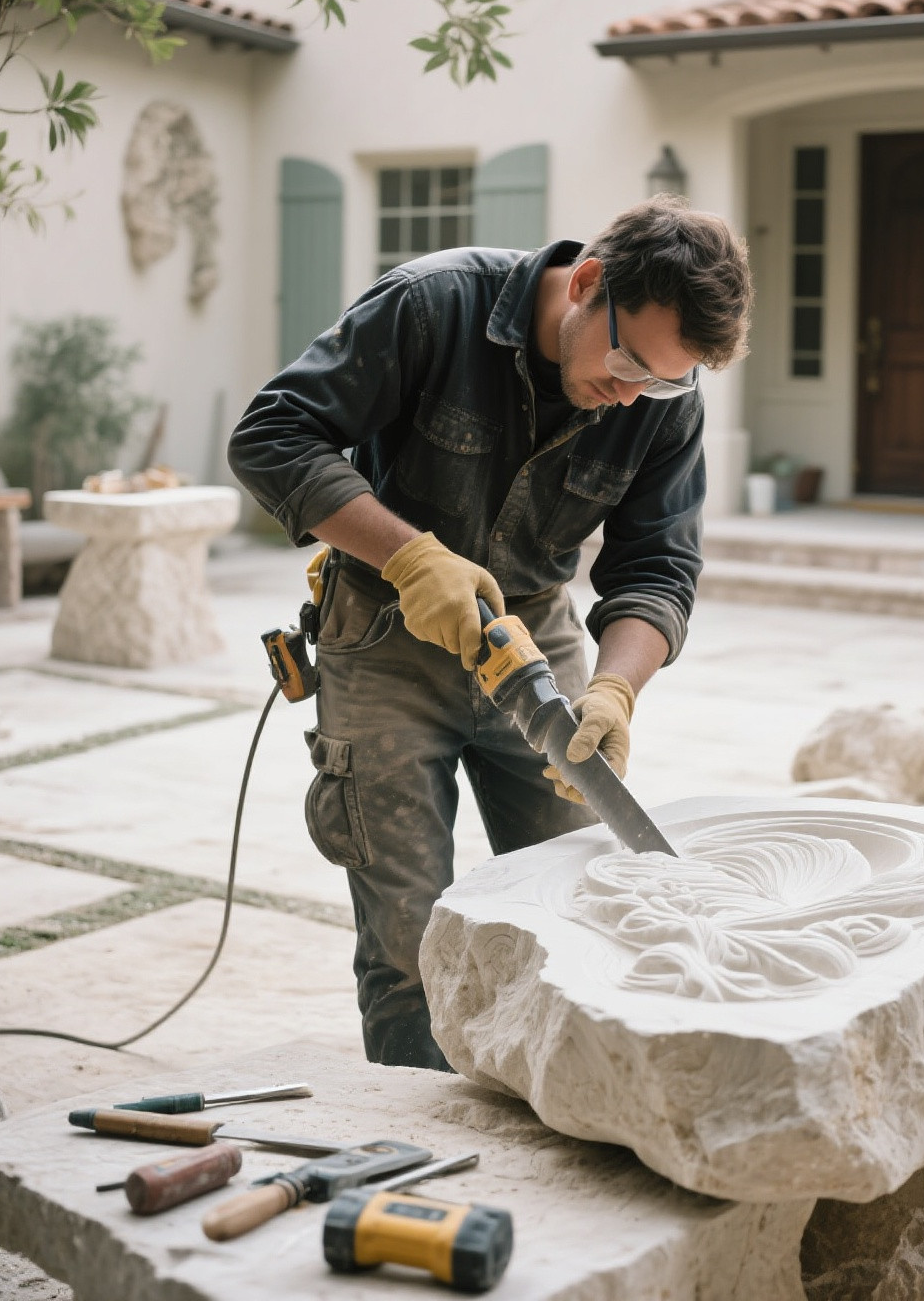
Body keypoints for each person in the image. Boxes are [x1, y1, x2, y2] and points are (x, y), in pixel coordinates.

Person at [228, 195, 753, 1070]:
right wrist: (407, 558)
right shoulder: (432, 306)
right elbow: (272, 434)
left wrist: (617, 687)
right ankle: (419, 1155)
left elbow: (657, 565)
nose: (632, 397)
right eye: (628, 364)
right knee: (408, 945)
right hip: (384, 633)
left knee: (573, 911)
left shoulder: (662, 397)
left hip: (535, 635)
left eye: (660, 381)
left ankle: (551, 1122)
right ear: (587, 283)